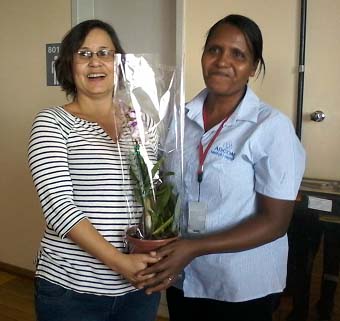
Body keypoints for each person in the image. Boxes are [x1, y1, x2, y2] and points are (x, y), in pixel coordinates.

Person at [136, 14, 306, 321]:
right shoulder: (178, 118)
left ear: (253, 68)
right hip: (183, 275)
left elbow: (275, 222)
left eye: (238, 54)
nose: (222, 61)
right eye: (214, 50)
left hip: (241, 285)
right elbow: (162, 186)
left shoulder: (271, 128)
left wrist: (193, 247)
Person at [28, 19, 161, 321]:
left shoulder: (142, 124)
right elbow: (58, 207)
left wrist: (158, 254)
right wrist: (119, 263)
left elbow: (155, 196)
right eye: (84, 54)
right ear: (68, 64)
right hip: (70, 290)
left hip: (137, 289)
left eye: (105, 53)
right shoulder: (52, 123)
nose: (95, 62)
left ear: (119, 62)